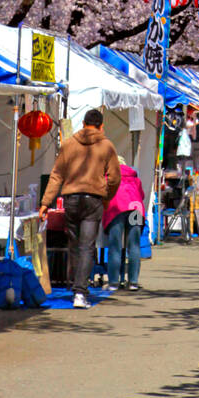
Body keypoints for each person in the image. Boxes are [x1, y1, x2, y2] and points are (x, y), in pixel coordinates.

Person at [39, 108, 121, 309]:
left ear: (83, 124)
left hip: (71, 199)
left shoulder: (68, 145)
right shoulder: (106, 146)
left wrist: (45, 203)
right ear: (101, 126)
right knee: (87, 246)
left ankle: (76, 287)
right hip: (93, 200)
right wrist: (106, 197)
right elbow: (115, 178)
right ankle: (80, 292)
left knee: (75, 244)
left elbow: (56, 175)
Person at [102, 160, 146, 292]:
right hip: (136, 209)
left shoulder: (108, 177)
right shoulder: (134, 178)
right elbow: (142, 195)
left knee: (115, 246)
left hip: (117, 209)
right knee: (134, 246)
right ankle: (133, 282)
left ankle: (113, 283)